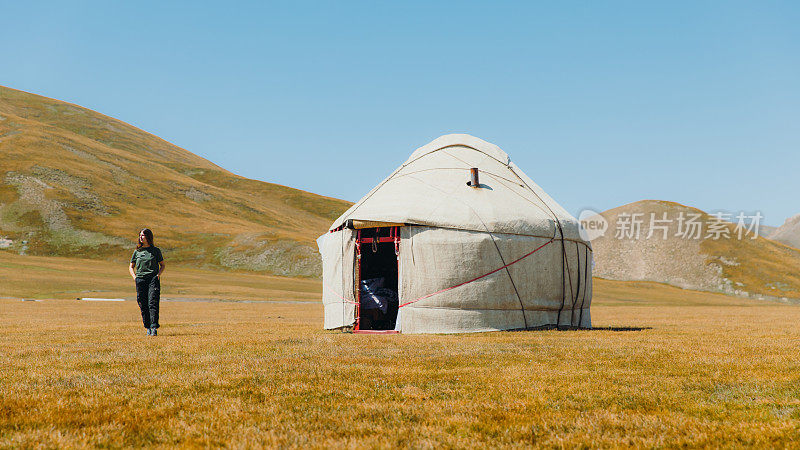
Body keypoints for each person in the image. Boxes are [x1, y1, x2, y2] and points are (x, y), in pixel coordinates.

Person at [129, 228, 165, 336]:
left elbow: (162, 265)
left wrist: (158, 275)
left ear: (148, 237)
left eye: (143, 235)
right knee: (142, 303)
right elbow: (131, 267)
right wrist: (135, 277)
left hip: (152, 279)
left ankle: (154, 327)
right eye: (140, 235)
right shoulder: (137, 251)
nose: (141, 237)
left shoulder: (155, 251)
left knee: (152, 302)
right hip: (140, 279)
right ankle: (147, 327)